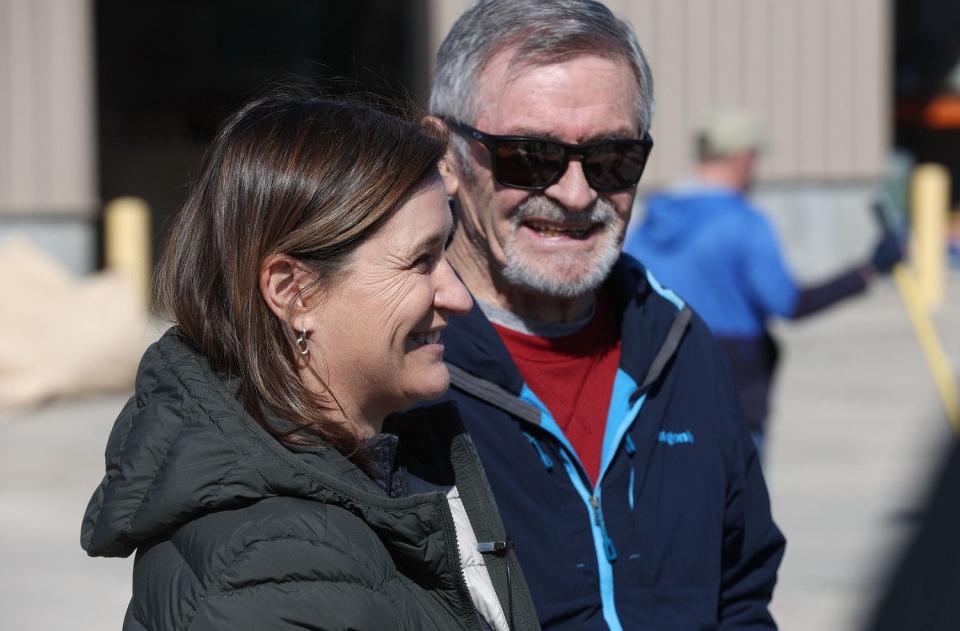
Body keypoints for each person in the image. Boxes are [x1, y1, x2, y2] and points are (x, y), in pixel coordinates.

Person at [80, 90, 542, 631]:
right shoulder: (270, 570)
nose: (458, 296)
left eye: (448, 253)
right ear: (293, 291)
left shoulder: (389, 463)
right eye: (421, 261)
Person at [428, 1, 785, 629]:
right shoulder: (392, 369)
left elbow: (742, 590)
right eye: (530, 155)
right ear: (445, 157)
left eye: (612, 158)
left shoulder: (680, 348)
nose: (575, 194)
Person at [625, 111, 903, 455]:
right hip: (732, 387)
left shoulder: (652, 220)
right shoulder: (745, 223)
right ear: (743, 159)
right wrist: (869, 270)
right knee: (738, 503)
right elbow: (788, 304)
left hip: (658, 386)